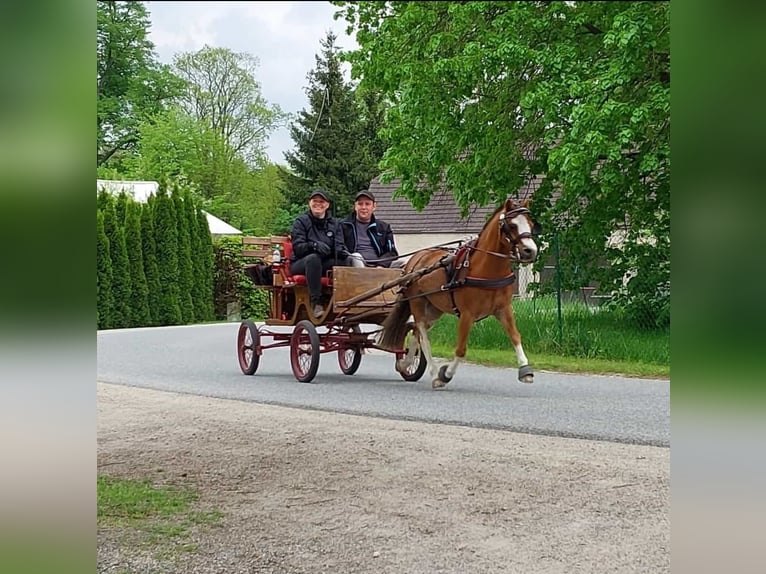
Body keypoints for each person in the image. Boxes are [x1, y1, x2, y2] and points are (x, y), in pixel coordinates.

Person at [290, 189, 348, 318]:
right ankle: (316, 302)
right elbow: (298, 248)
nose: (318, 204)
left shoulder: (335, 224)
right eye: (315, 201)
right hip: (301, 263)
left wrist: (338, 251)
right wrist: (314, 245)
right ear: (309, 203)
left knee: (347, 261)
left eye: (321, 201)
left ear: (327, 205)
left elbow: (339, 245)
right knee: (313, 259)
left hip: (325, 262)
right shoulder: (301, 222)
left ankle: (346, 301)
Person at [338, 189, 403, 269]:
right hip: (355, 264)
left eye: (367, 204)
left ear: (374, 206)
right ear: (355, 206)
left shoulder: (384, 227)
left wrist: (381, 265)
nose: (363, 207)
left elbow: (392, 252)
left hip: (380, 265)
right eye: (360, 204)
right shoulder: (343, 225)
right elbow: (340, 249)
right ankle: (364, 279)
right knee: (355, 256)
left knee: (404, 264)